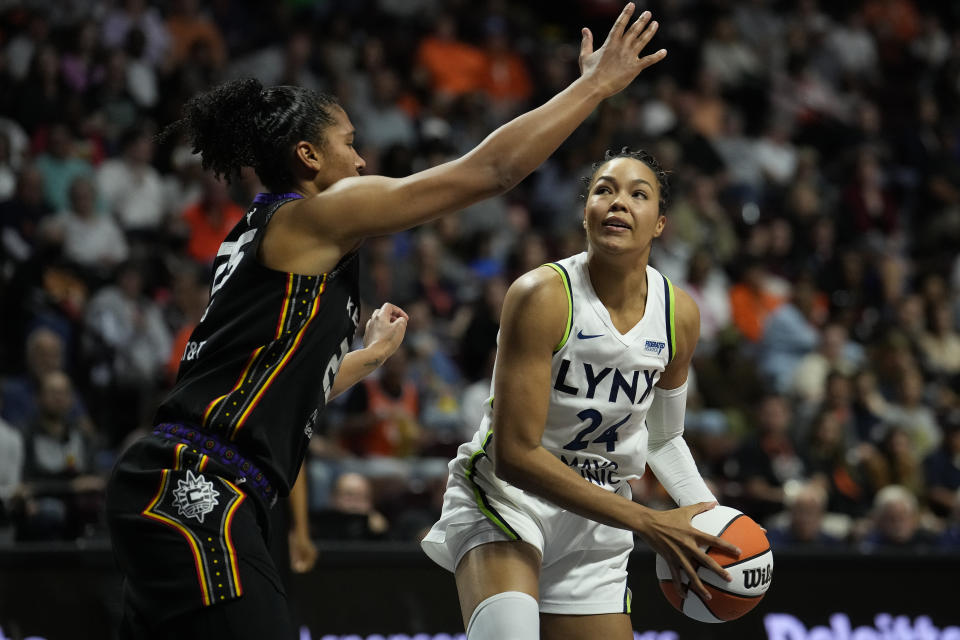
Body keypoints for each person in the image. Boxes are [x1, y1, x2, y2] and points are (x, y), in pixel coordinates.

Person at [105, 5, 668, 640]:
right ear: (308, 156)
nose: (363, 161)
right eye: (349, 144)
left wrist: (364, 360)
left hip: (184, 483)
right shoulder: (316, 212)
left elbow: (265, 377)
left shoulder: (260, 241)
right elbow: (490, 172)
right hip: (201, 487)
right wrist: (593, 86)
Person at [421, 144, 740, 640]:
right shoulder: (541, 295)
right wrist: (650, 522)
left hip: (599, 515)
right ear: (585, 211)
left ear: (660, 223)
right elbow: (515, 456)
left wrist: (709, 525)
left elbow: (663, 439)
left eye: (638, 194)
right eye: (603, 190)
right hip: (508, 500)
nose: (618, 202)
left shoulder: (679, 313)